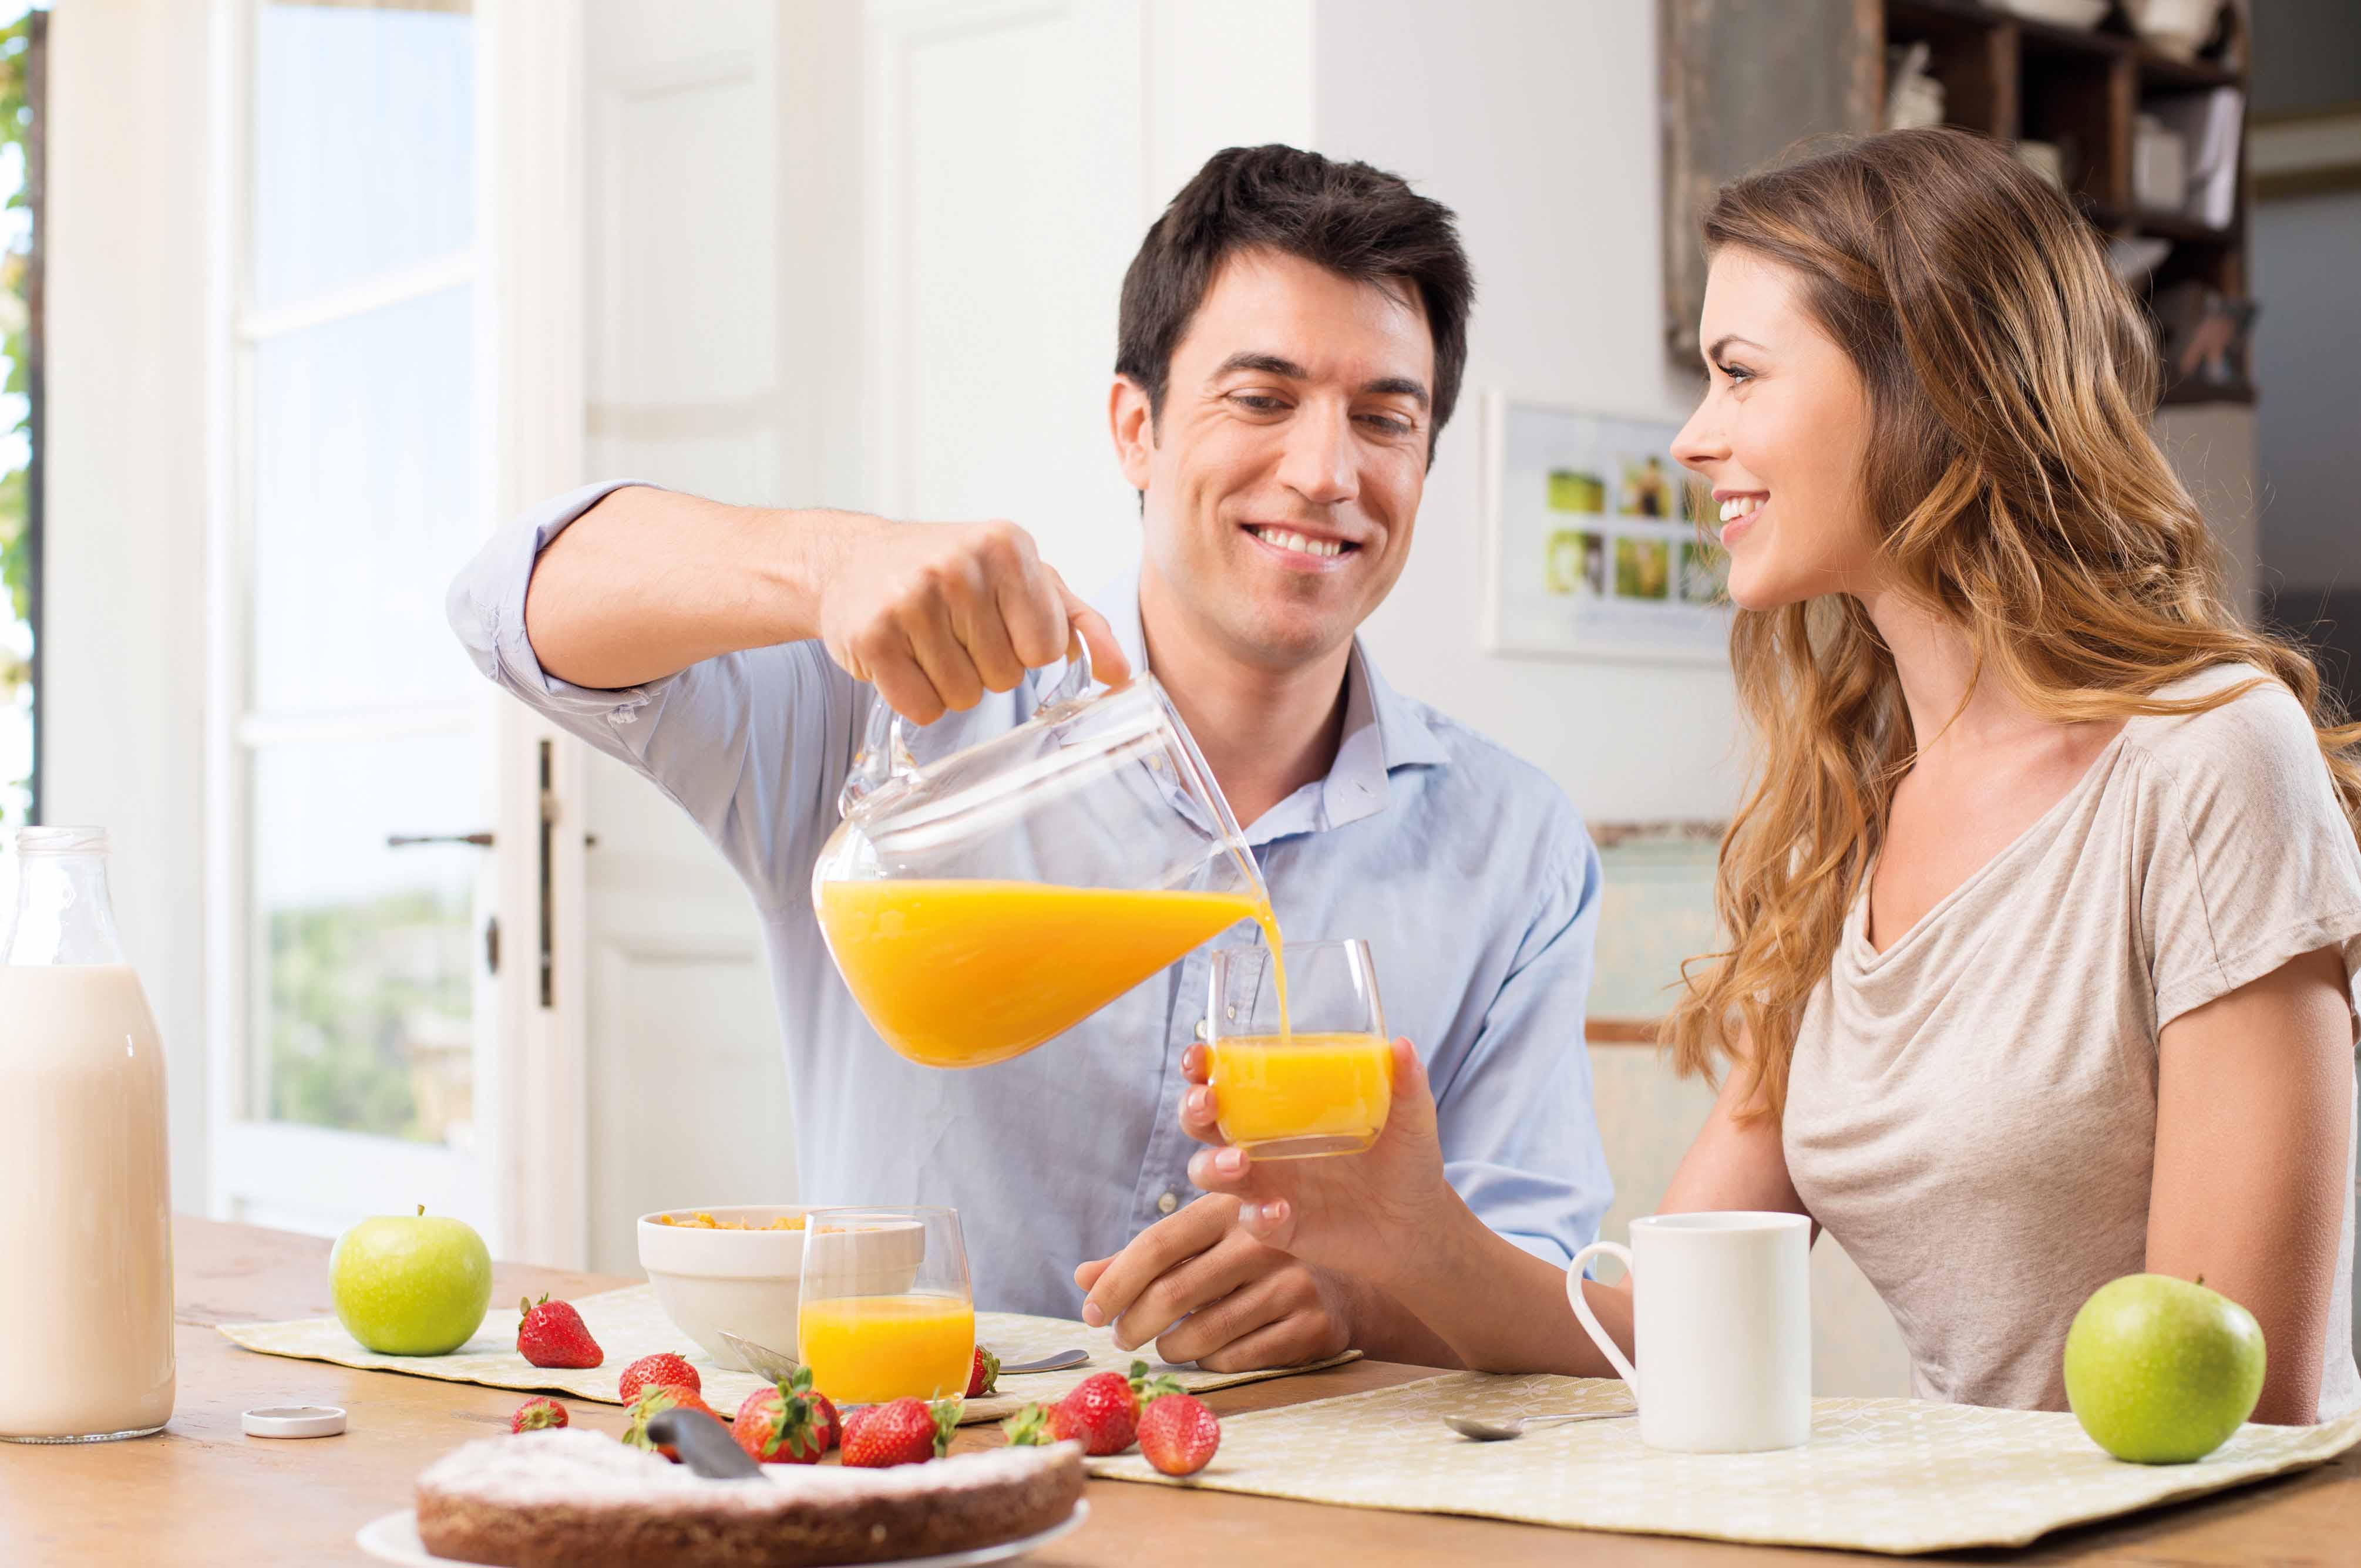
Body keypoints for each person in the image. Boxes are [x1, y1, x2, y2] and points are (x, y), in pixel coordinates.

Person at [1176, 127, 2361, 1422]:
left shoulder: (2209, 760)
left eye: (1741, 375)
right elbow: (1674, 1334)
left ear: (1932, 383)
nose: (1693, 438)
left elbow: (2235, 1414)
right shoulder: (1849, 816)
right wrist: (1409, 1234)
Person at [448, 144, 1613, 1370]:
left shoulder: (1513, 845)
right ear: (1136, 427)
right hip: (922, 1478)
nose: (1327, 473)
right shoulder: (902, 701)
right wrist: (825, 564)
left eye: (1385, 418)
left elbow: (1553, 1296)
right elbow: (506, 605)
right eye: (1263, 399)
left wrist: (1363, 1303)